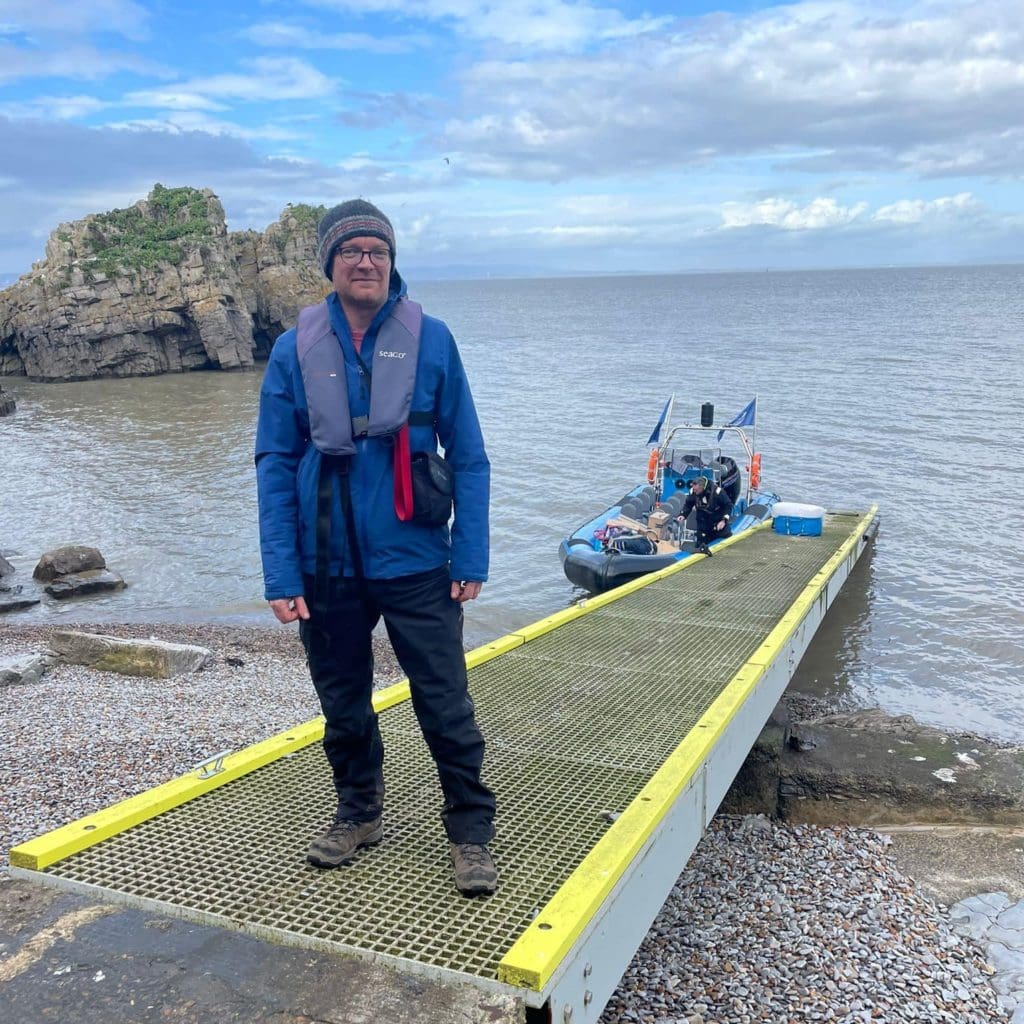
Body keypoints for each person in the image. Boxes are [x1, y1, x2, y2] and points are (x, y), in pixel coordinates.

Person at [254, 199, 497, 898]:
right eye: (352, 251)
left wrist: (470, 556)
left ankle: (470, 830)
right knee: (343, 703)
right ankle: (358, 813)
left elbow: (470, 456)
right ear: (329, 264)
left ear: (392, 262)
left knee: (445, 701)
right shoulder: (291, 349)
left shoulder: (434, 339)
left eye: (378, 251)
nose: (366, 262)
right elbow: (274, 462)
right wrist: (281, 572)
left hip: (417, 560)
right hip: (325, 562)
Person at [678, 475, 733, 555]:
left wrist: (724, 520)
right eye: (694, 489)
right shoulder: (693, 492)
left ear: (702, 487)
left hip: (717, 525)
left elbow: (728, 505)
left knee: (723, 546)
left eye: (696, 490)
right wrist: (683, 514)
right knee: (700, 546)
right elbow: (688, 504)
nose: (695, 491)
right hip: (702, 525)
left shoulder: (717, 493)